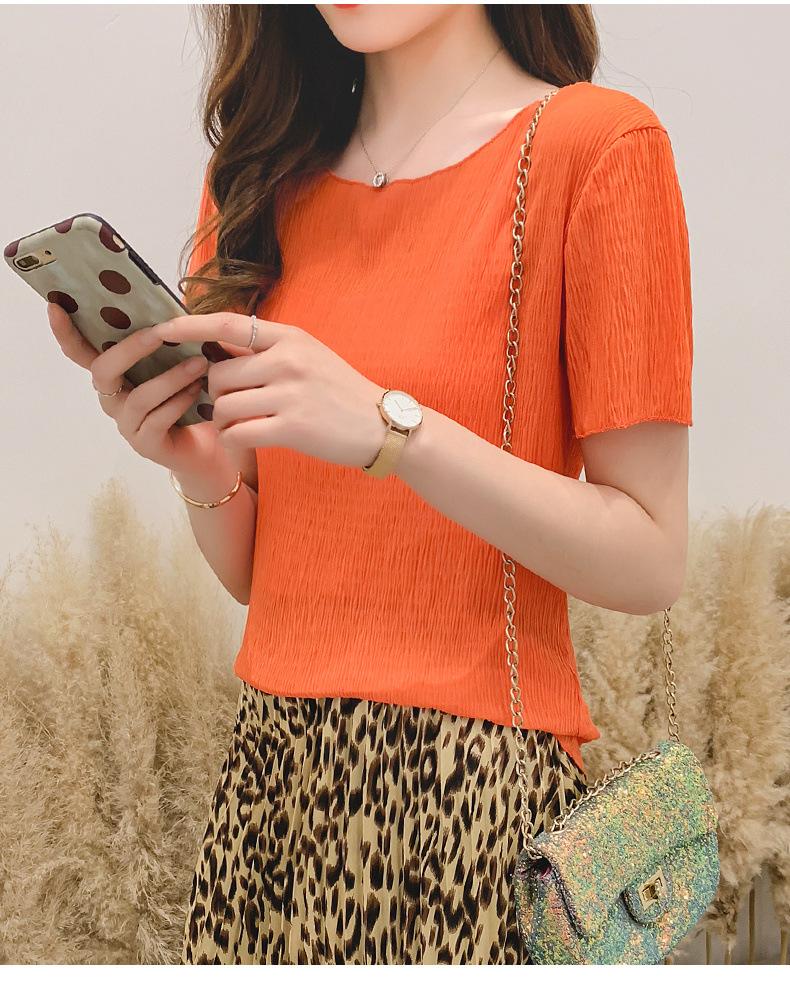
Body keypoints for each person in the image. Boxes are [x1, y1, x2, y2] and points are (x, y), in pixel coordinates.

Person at [47, 4, 694, 966]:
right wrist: (202, 468)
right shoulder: (256, 177)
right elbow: (266, 582)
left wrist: (396, 432)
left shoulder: (596, 146)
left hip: (475, 807)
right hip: (269, 796)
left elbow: (650, 559)